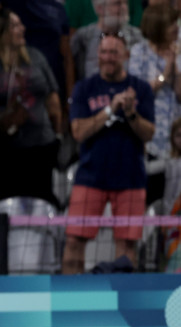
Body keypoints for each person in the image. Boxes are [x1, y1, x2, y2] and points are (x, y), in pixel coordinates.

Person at [62, 34, 154, 274]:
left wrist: (131, 113)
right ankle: (69, 300)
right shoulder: (85, 88)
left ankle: (123, 303)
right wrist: (109, 110)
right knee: (73, 242)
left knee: (127, 247)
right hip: (90, 176)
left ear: (125, 56)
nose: (108, 58)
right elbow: (78, 132)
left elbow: (148, 134)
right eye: (104, 52)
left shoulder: (141, 89)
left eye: (114, 53)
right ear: (97, 56)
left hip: (131, 179)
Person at [0, 8, 63, 208]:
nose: (22, 29)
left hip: (40, 150)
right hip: (0, 154)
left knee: (40, 206)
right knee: (3, 209)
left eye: (21, 24)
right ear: (1, 31)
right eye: (16, 25)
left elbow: (52, 99)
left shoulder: (36, 57)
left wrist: (57, 136)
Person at [129, 3, 181, 204]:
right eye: (171, 24)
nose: (176, 28)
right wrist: (164, 74)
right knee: (153, 194)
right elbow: (140, 92)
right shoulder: (139, 52)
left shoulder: (178, 51)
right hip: (150, 134)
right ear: (158, 26)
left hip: (176, 134)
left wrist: (175, 68)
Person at [69, 0, 142, 82]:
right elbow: (71, 66)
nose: (124, 7)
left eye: (125, 3)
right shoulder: (83, 36)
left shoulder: (136, 36)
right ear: (100, 9)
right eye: (117, 3)